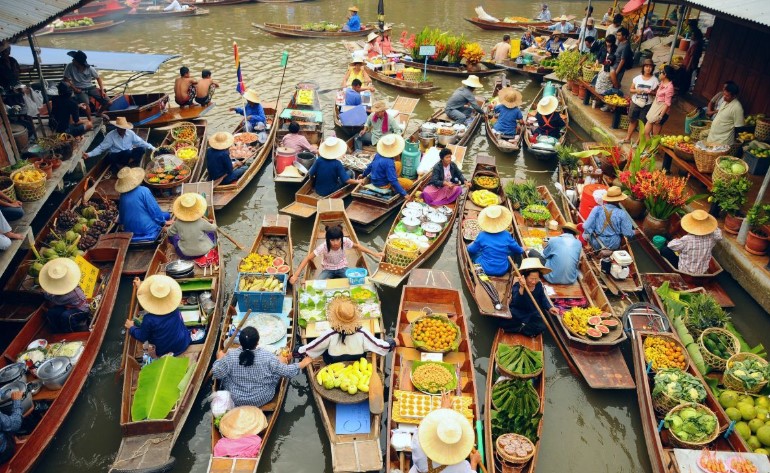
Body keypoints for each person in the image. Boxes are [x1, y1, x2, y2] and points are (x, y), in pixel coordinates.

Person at [213, 326, 312, 407]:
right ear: (257, 342)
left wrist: (219, 358)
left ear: (240, 342)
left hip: (237, 399)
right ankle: (280, 361)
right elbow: (286, 371)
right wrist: (302, 363)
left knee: (224, 373)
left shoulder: (230, 356)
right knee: (278, 365)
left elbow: (217, 373)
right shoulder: (267, 356)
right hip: (261, 398)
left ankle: (279, 361)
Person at [297, 297, 394, 364]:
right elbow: (381, 346)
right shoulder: (363, 333)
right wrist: (392, 342)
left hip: (333, 363)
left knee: (322, 349)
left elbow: (312, 347)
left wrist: (297, 351)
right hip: (357, 363)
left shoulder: (329, 334)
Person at [408, 396, 482, 473]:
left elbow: (424, 425)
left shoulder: (419, 442)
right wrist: (474, 462)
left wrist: (443, 409)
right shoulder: (461, 466)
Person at [290, 224, 383, 283]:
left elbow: (358, 246)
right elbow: (308, 258)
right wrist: (296, 275)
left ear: (341, 238)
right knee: (317, 284)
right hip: (327, 269)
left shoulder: (345, 241)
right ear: (328, 240)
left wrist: (375, 254)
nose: (335, 243)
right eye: (332, 240)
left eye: (338, 239)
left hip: (342, 267)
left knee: (354, 283)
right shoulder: (323, 246)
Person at [124, 275, 190, 357]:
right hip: (184, 343)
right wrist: (140, 287)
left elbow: (142, 337)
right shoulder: (174, 309)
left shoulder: (149, 319)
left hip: (164, 351)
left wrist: (131, 328)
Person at [500, 258, 559, 336]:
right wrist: (522, 287)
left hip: (531, 314)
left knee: (542, 326)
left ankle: (520, 328)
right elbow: (517, 302)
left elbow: (543, 298)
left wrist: (550, 307)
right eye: (531, 279)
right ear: (524, 277)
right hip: (518, 314)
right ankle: (522, 327)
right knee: (502, 322)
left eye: (536, 279)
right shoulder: (517, 286)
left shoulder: (538, 285)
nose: (534, 281)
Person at [115, 167, 171, 242]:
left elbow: (122, 216)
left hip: (129, 229)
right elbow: (154, 210)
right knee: (166, 215)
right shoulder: (144, 190)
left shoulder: (122, 196)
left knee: (164, 215)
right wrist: (163, 222)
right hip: (147, 228)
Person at [467, 205, 524, 277]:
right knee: (511, 251)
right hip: (502, 270)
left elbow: (472, 250)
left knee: (473, 253)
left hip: (484, 269)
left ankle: (478, 272)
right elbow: (519, 250)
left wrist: (469, 246)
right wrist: (523, 248)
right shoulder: (506, 235)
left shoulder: (482, 235)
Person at [661, 210, 722, 275]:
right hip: (702, 271)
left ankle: (677, 269)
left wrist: (677, 240)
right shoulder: (713, 236)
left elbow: (670, 245)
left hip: (685, 271)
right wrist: (711, 226)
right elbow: (719, 235)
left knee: (664, 250)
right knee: (681, 250)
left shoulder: (687, 239)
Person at [38, 257, 90, 332]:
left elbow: (56, 300)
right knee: (51, 313)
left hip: (81, 309)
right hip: (67, 306)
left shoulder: (73, 293)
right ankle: (56, 331)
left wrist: (45, 293)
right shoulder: (62, 289)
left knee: (66, 316)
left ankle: (70, 333)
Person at [83, 117, 154, 171]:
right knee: (127, 152)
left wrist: (153, 148)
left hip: (128, 155)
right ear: (117, 127)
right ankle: (121, 165)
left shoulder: (130, 133)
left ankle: (128, 163)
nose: (123, 130)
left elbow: (141, 142)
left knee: (141, 149)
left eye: (124, 128)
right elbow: (101, 148)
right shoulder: (110, 136)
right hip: (116, 155)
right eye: (121, 128)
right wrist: (89, 154)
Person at [582, 186, 635, 251]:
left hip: (597, 243)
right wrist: (635, 232)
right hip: (614, 244)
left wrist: (590, 231)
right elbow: (628, 233)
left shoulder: (596, 209)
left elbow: (586, 226)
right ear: (619, 200)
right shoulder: (622, 213)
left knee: (587, 233)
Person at [168, 193, 216, 259]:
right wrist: (212, 223)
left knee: (172, 237)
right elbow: (214, 228)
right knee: (211, 233)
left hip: (186, 255)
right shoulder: (202, 221)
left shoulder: (177, 223)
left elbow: (169, 232)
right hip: (204, 252)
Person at [621, 59, 658, 144]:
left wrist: (650, 92)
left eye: (650, 67)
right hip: (635, 102)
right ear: (643, 67)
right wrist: (636, 91)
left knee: (642, 124)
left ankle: (637, 142)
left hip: (647, 104)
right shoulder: (637, 78)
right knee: (632, 120)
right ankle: (628, 138)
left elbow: (656, 93)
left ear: (652, 68)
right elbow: (631, 89)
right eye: (646, 66)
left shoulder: (655, 80)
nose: (648, 69)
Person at [706, 81, 744, 145]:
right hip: (712, 137)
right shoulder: (725, 101)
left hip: (723, 141)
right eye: (724, 94)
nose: (724, 97)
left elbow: (739, 127)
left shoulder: (737, 108)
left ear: (734, 96)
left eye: (727, 96)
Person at [643, 65, 675, 139]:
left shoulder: (669, 87)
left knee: (655, 135)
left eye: (661, 72)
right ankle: (649, 149)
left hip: (661, 111)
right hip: (655, 107)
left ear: (665, 74)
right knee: (646, 132)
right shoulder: (662, 83)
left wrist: (660, 116)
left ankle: (651, 150)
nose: (659, 74)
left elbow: (667, 103)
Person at [0, 389, 24, 464]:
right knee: (8, 425)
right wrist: (17, 401)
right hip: (3, 454)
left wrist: (3, 392)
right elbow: (16, 424)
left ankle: (13, 438)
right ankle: (13, 441)